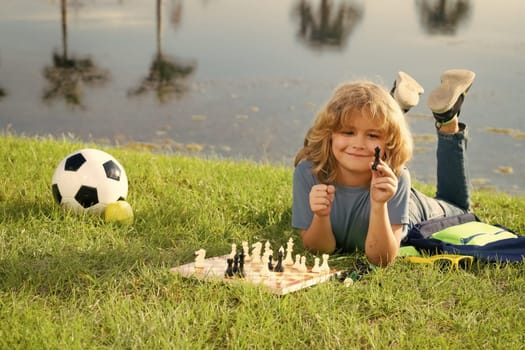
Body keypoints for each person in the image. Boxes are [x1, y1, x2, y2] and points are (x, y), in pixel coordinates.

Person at [292, 69, 476, 267]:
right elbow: (319, 250)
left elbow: (380, 259)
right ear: (329, 134)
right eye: (348, 132)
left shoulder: (396, 177)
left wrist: (379, 205)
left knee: (458, 208)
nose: (359, 144)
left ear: (389, 143)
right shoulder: (309, 173)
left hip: (401, 200)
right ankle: (394, 106)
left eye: (372, 135)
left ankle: (447, 119)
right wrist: (320, 215)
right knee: (372, 123)